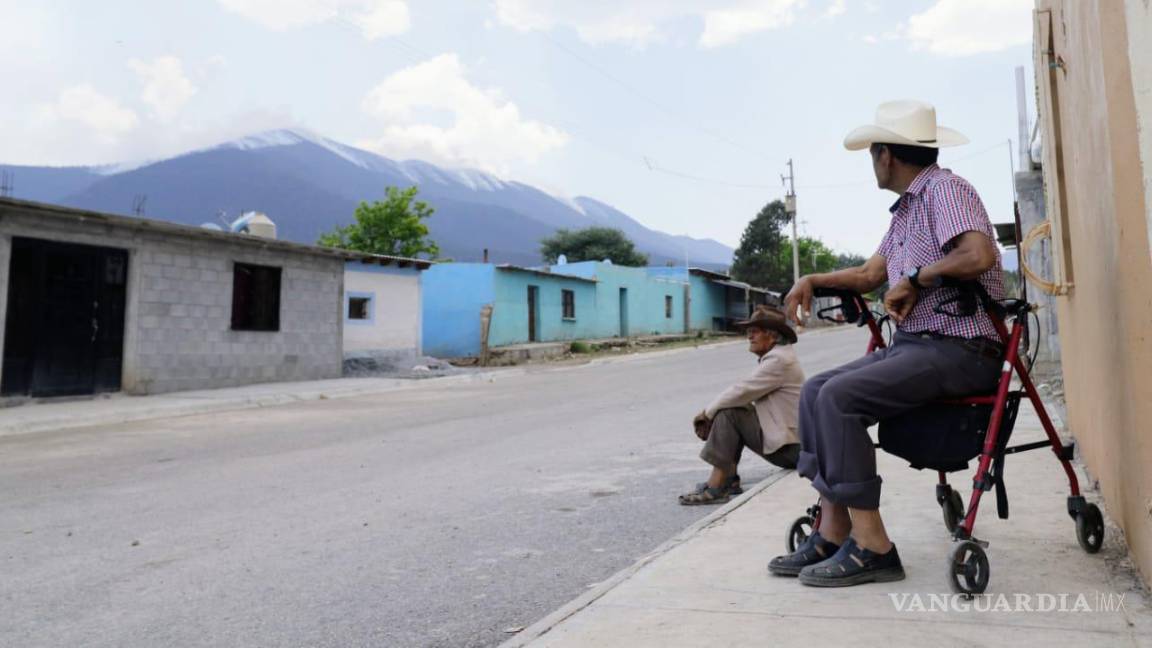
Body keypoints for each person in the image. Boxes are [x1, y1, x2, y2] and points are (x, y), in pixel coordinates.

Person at [767, 100, 1005, 586]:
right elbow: (871, 274)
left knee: (838, 397)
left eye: (872, 154)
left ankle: (874, 547)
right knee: (816, 392)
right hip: (918, 346)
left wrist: (918, 278)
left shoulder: (945, 189)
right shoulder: (907, 211)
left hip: (960, 348)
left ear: (884, 155)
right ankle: (833, 531)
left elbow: (979, 253)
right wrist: (813, 277)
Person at [679, 306, 804, 505]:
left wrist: (707, 414)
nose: (749, 337)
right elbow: (742, 394)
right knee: (735, 410)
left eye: (754, 332)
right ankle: (729, 479)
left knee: (729, 413)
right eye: (748, 332)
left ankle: (717, 486)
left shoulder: (779, 360)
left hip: (792, 450)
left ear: (772, 336)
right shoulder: (780, 356)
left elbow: (742, 390)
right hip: (794, 446)